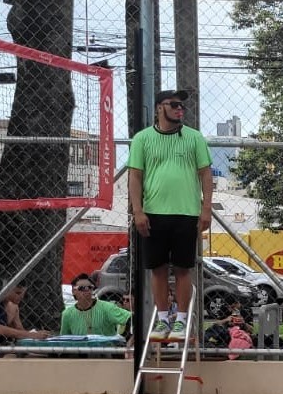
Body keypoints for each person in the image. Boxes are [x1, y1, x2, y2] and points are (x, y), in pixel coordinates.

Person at [127, 88, 213, 342]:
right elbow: (135, 176)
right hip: (153, 213)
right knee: (158, 268)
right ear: (159, 108)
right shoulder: (142, 139)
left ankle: (182, 320)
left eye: (182, 106)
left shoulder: (194, 138)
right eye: (174, 104)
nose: (179, 109)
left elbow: (206, 174)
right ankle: (163, 318)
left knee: (184, 268)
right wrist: (138, 211)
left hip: (186, 213)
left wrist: (206, 209)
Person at [0, 282, 51, 349]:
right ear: (6, 289)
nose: (21, 297)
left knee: (35, 355)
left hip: (4, 346)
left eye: (23, 293)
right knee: (13, 357)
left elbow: (19, 329)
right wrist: (32, 335)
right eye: (18, 293)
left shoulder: (13, 306)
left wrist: (37, 334)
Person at [60, 273, 132, 337]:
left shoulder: (107, 307)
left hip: (105, 350)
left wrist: (129, 340)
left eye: (90, 287)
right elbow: (64, 339)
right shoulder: (67, 314)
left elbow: (132, 318)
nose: (87, 291)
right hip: (80, 350)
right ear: (73, 291)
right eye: (82, 288)